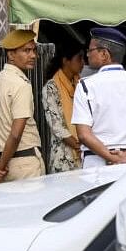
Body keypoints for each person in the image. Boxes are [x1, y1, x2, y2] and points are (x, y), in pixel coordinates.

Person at [71, 27, 126, 168]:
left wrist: (111, 158)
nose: (87, 55)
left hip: (96, 163)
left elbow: (83, 134)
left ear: (104, 54)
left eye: (90, 50)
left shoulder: (86, 85)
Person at [0, 29, 46, 184]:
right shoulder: (21, 85)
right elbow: (16, 134)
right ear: (11, 55)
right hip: (24, 165)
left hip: (2, 163)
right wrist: (0, 168)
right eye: (26, 50)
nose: (33, 56)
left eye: (34, 50)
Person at [41, 40, 85, 173]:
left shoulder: (81, 84)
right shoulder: (51, 87)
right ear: (66, 60)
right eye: (79, 59)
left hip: (83, 152)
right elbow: (56, 125)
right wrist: (78, 145)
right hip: (63, 155)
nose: (83, 63)